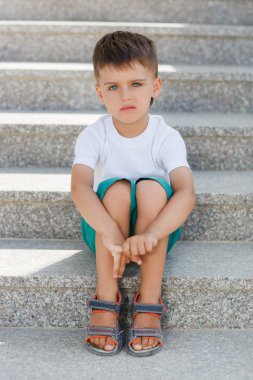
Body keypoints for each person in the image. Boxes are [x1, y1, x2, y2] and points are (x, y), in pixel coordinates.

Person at [71, 31, 195, 357]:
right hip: (104, 231)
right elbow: (80, 186)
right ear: (100, 93)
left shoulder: (165, 137)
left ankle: (149, 300)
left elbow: (186, 193)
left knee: (153, 187)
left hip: (156, 232)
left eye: (136, 84)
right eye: (114, 87)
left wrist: (153, 233)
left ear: (155, 87)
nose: (126, 95)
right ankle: (107, 299)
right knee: (117, 189)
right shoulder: (94, 135)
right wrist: (110, 230)